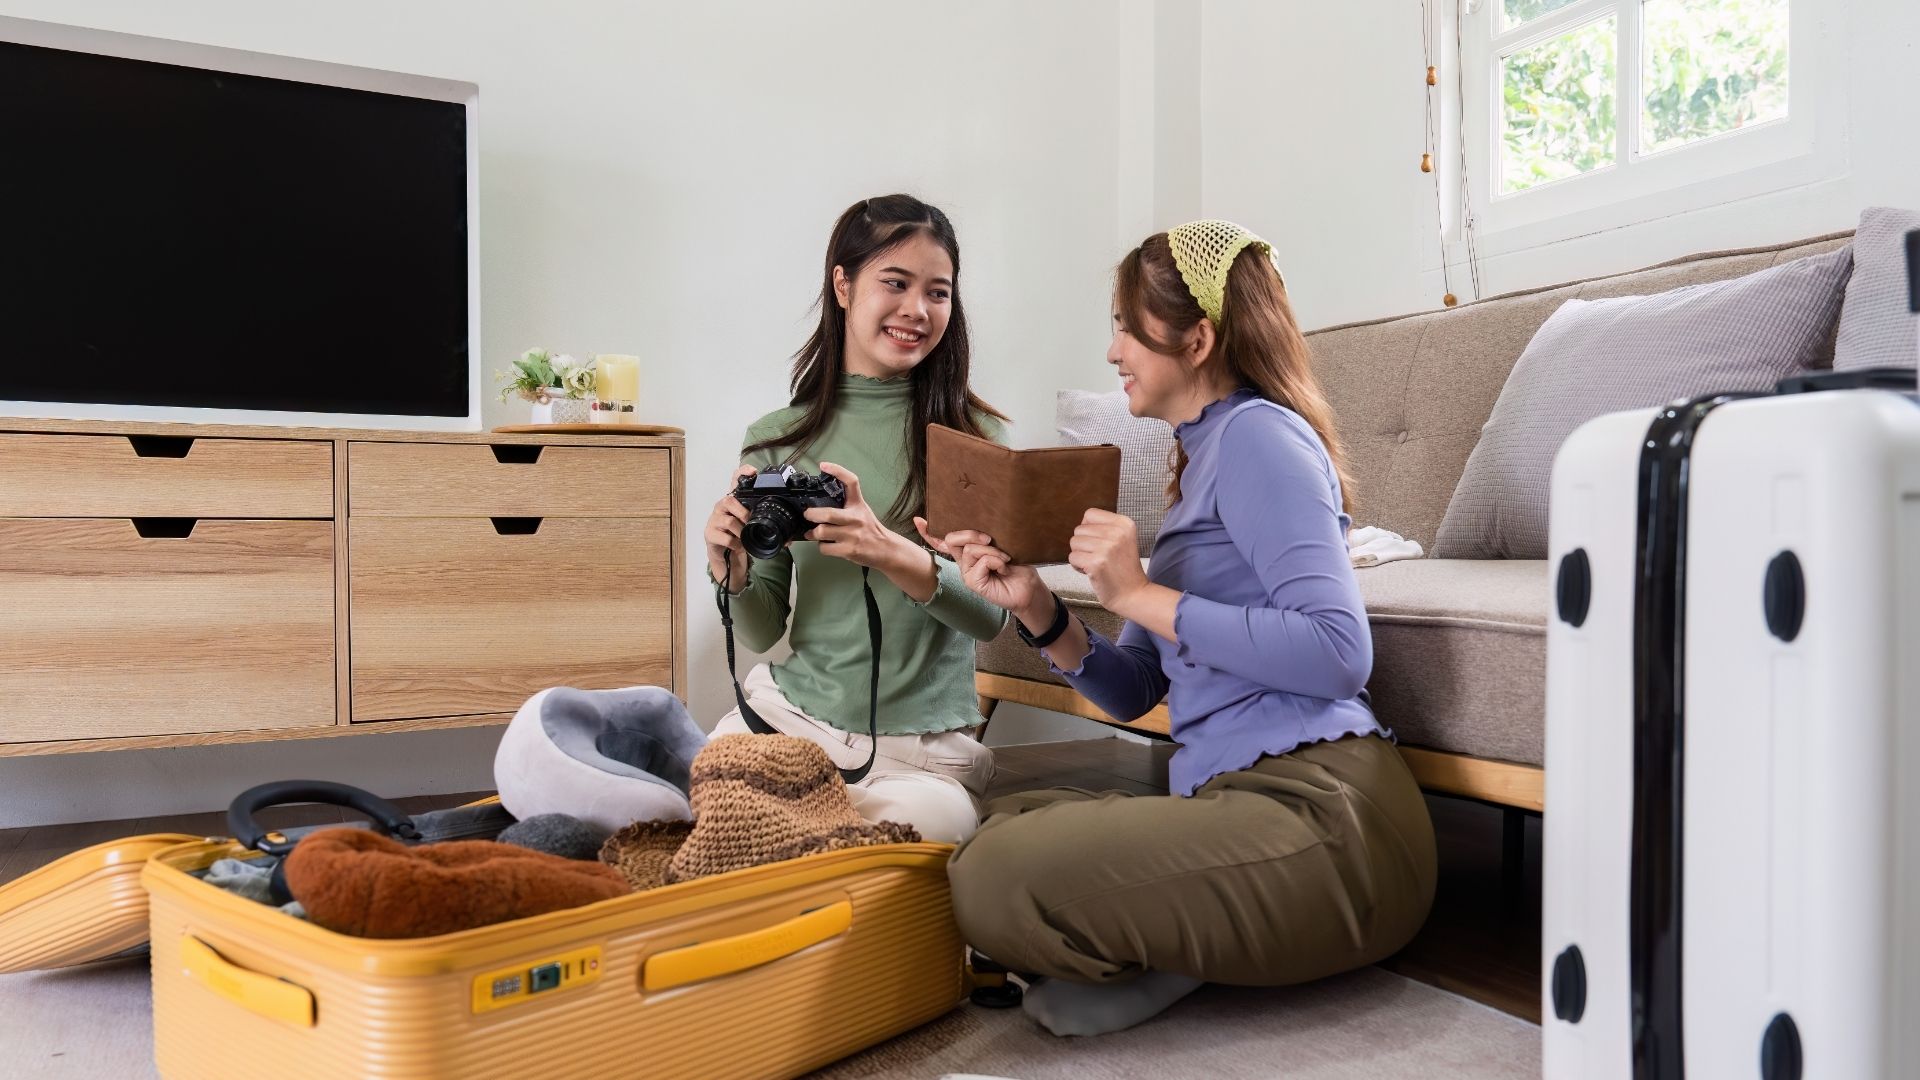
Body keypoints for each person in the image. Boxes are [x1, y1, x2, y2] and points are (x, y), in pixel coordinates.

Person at [934, 221, 1437, 1036]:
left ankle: (1178, 954)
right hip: (1238, 803)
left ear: (1197, 338)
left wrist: (1136, 593)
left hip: (1333, 823)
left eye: (1128, 326)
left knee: (993, 873)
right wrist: (1034, 605)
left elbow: (1340, 652)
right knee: (985, 819)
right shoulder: (1198, 465)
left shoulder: (1260, 437)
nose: (1113, 350)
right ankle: (1183, 956)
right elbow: (1133, 691)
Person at [704, 194, 1008, 844]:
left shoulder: (974, 438)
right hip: (796, 718)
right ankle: (822, 840)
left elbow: (992, 615)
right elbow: (761, 628)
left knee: (937, 830)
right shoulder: (776, 439)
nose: (916, 311)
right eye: (895, 284)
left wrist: (891, 551)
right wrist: (729, 576)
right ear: (843, 285)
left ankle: (815, 839)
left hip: (920, 748)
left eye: (938, 293)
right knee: (709, 780)